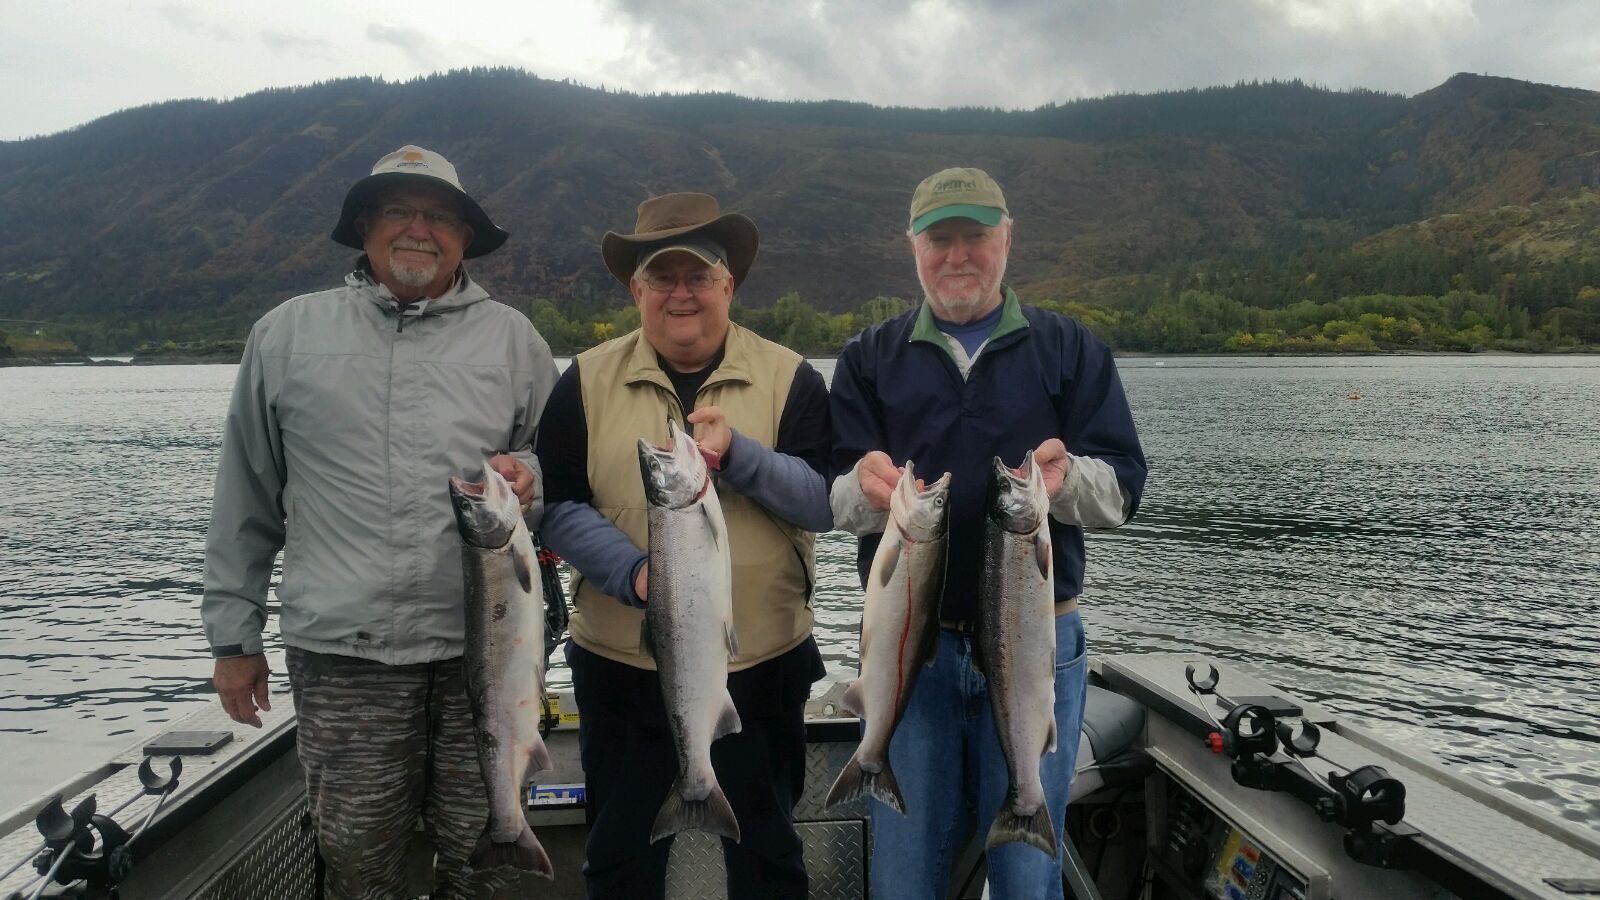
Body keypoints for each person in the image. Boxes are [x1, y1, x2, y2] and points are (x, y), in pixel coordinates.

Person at [201, 145, 560, 899]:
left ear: (465, 235)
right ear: (365, 226)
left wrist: (533, 478)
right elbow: (246, 497)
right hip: (344, 653)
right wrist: (235, 638)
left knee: (484, 856)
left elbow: (555, 468)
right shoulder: (284, 335)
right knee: (358, 858)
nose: (418, 230)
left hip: (489, 651)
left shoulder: (516, 341)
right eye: (399, 210)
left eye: (439, 216)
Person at [829, 167, 1148, 899]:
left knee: (1027, 882)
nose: (958, 256)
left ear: (1008, 240)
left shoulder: (1069, 350)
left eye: (976, 237)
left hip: (1042, 646)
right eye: (941, 239)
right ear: (913, 247)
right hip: (914, 656)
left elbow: (1124, 491)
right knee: (903, 879)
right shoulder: (869, 358)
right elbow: (833, 500)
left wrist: (1069, 482)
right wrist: (865, 487)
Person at [535, 192, 831, 899]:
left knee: (768, 859)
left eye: (697, 276)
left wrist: (744, 458)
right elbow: (556, 506)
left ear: (729, 285)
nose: (680, 294)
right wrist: (633, 573)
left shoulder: (792, 376)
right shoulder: (582, 380)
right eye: (661, 277)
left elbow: (823, 500)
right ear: (635, 289)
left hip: (763, 667)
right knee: (619, 861)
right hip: (618, 672)